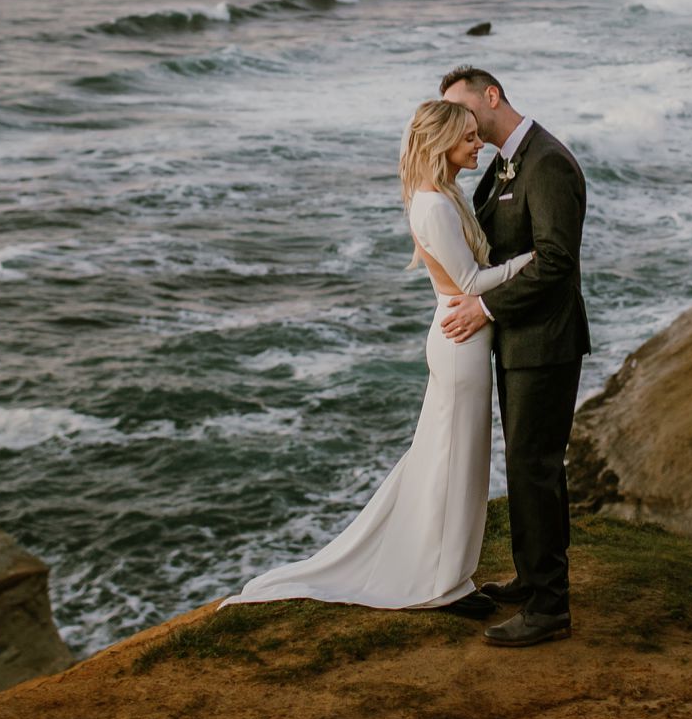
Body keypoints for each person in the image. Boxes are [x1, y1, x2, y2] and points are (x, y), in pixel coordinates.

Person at [217, 100, 533, 617]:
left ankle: (447, 574)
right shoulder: (432, 205)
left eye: (478, 136)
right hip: (459, 342)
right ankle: (439, 585)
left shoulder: (444, 195)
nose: (480, 145)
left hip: (465, 338)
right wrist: (530, 260)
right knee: (451, 464)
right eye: (469, 138)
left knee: (455, 461)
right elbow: (471, 284)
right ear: (441, 145)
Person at [438, 66, 590, 647]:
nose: (460, 122)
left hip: (545, 343)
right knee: (531, 466)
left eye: (464, 110)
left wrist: (487, 310)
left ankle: (551, 607)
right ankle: (533, 580)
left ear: (492, 96)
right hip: (523, 342)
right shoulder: (507, 161)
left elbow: (555, 262)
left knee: (534, 467)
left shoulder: (547, 162)